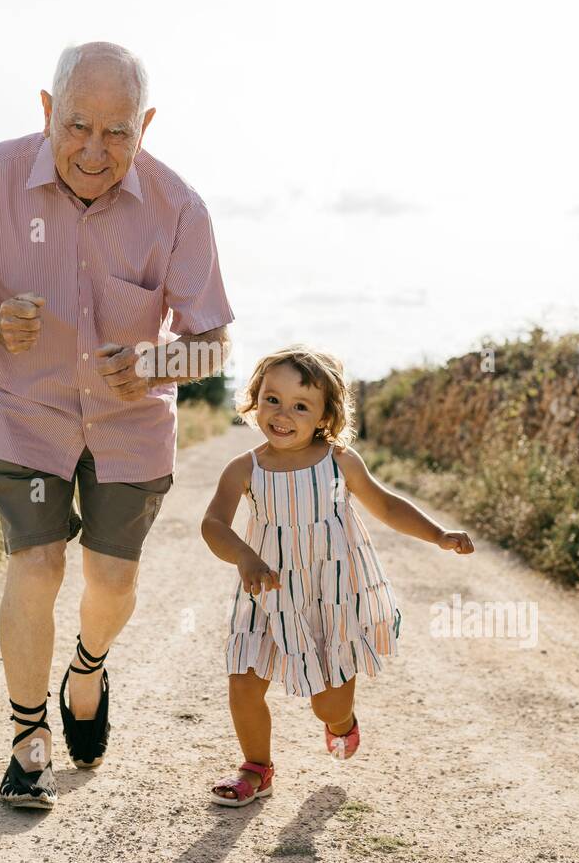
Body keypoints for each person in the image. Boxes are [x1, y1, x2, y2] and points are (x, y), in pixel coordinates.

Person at [0, 41, 234, 809]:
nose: (96, 150)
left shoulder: (179, 208)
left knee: (112, 582)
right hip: (25, 417)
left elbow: (213, 343)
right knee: (37, 563)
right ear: (48, 111)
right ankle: (29, 743)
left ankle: (87, 668)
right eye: (78, 126)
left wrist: (157, 367)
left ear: (146, 125)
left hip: (131, 427)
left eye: (118, 131)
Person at [200, 345, 474, 806]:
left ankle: (341, 722)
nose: (282, 414)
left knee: (327, 703)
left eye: (300, 406)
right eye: (272, 399)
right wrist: (244, 557)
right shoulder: (244, 468)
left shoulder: (338, 461)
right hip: (266, 591)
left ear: (326, 415)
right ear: (254, 398)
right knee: (243, 680)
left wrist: (438, 533)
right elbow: (213, 525)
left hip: (333, 594)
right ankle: (256, 767)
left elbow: (386, 505)